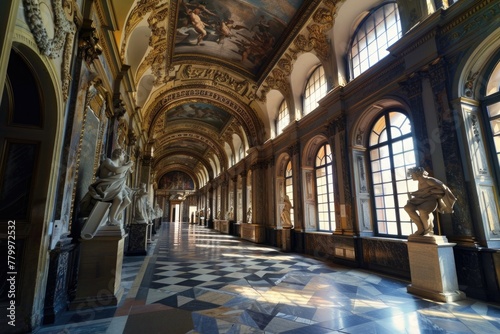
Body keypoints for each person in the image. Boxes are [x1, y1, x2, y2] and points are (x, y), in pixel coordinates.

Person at [87, 148, 134, 226]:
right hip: (105, 186)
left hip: (114, 186)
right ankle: (111, 219)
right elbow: (116, 170)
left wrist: (127, 187)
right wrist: (128, 165)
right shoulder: (108, 161)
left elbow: (117, 180)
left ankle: (113, 217)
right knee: (118, 199)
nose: (123, 157)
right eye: (123, 155)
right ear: (118, 155)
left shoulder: (118, 165)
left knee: (127, 201)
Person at [404, 167, 457, 236]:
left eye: (412, 174)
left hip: (430, 201)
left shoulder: (429, 180)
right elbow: (423, 192)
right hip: (421, 200)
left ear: (417, 174)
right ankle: (420, 228)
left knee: (422, 210)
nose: (411, 176)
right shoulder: (420, 182)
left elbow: (443, 190)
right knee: (408, 207)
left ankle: (428, 231)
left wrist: (429, 192)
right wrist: (417, 193)